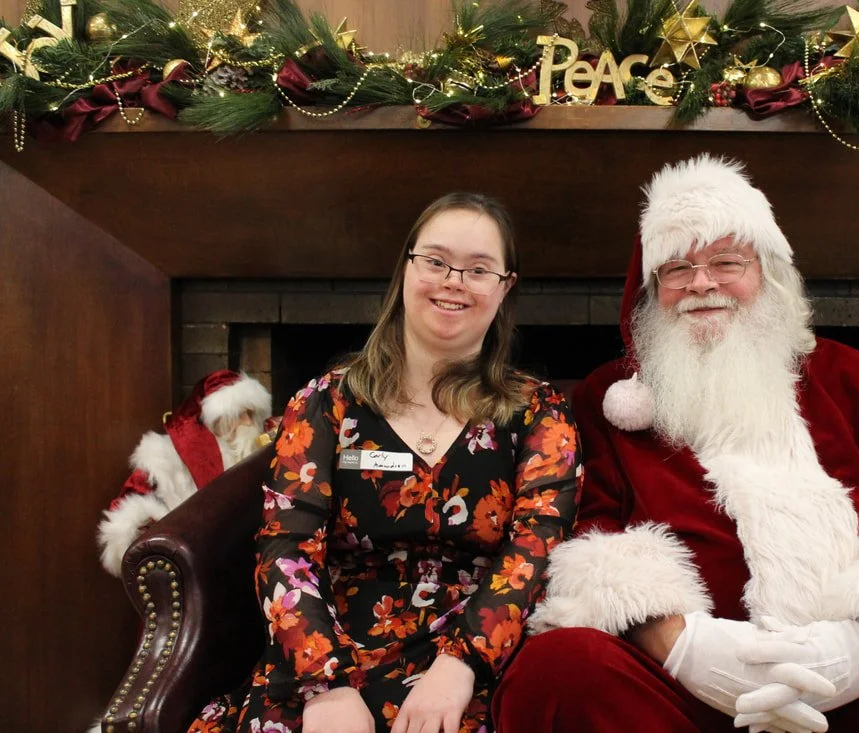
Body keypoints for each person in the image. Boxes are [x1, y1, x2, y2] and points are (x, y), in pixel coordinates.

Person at [493, 155, 859, 733]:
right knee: (556, 673)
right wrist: (690, 650)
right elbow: (590, 533)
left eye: (728, 261)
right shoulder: (611, 401)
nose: (703, 284)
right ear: (653, 292)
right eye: (677, 269)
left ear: (768, 275)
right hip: (682, 697)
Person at [188, 192, 580, 733]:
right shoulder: (327, 401)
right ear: (407, 269)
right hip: (329, 654)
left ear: (504, 288)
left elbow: (536, 547)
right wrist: (325, 685)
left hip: (474, 660)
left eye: (479, 269)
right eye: (436, 261)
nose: (453, 281)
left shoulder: (538, 410)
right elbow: (286, 546)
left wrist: (461, 664)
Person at [97, 369, 272, 576]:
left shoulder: (264, 446)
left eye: (252, 414)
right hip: (201, 563)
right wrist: (154, 524)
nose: (250, 423)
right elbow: (126, 512)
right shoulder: (166, 458)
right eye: (240, 415)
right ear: (215, 420)